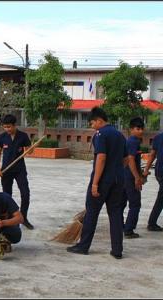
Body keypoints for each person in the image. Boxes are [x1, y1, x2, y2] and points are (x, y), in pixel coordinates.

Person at [67, 107, 128, 259]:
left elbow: (101, 158)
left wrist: (95, 183)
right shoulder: (120, 135)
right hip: (118, 179)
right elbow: (126, 159)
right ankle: (117, 250)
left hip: (103, 181)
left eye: (93, 123)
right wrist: (116, 171)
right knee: (115, 213)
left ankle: (83, 246)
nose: (92, 126)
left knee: (92, 212)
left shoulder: (101, 134)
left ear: (100, 120)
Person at [0, 114, 33, 229]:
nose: (7, 129)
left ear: (15, 125)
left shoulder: (23, 136)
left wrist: (30, 150)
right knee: (7, 196)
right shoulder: (2, 137)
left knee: (25, 193)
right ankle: (10, 219)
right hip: (6, 170)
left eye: (9, 127)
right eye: (5, 127)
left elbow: (29, 151)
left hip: (20, 169)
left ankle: (24, 218)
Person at [122, 117, 145, 238]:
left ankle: (121, 226)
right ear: (131, 129)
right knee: (135, 204)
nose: (140, 131)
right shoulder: (134, 141)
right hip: (130, 178)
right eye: (138, 128)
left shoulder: (129, 140)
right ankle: (129, 230)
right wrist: (137, 177)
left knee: (121, 203)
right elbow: (131, 159)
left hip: (124, 177)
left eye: (142, 128)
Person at [142, 122, 163, 232]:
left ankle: (152, 222)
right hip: (161, 171)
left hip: (159, 172)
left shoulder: (158, 137)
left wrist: (146, 170)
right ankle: (152, 222)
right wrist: (146, 170)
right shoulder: (159, 138)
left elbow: (152, 155)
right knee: (161, 198)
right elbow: (153, 155)